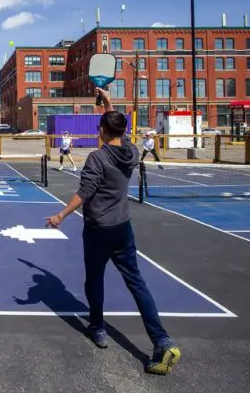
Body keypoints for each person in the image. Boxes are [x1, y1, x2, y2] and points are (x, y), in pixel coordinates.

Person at [46, 88, 181, 376]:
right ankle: (161, 339)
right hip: (123, 229)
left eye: (100, 126)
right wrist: (108, 102)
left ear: (103, 131)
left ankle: (98, 328)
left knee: (94, 281)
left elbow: (84, 193)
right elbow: (121, 128)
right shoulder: (131, 152)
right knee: (137, 284)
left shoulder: (98, 158)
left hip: (98, 231)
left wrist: (61, 215)